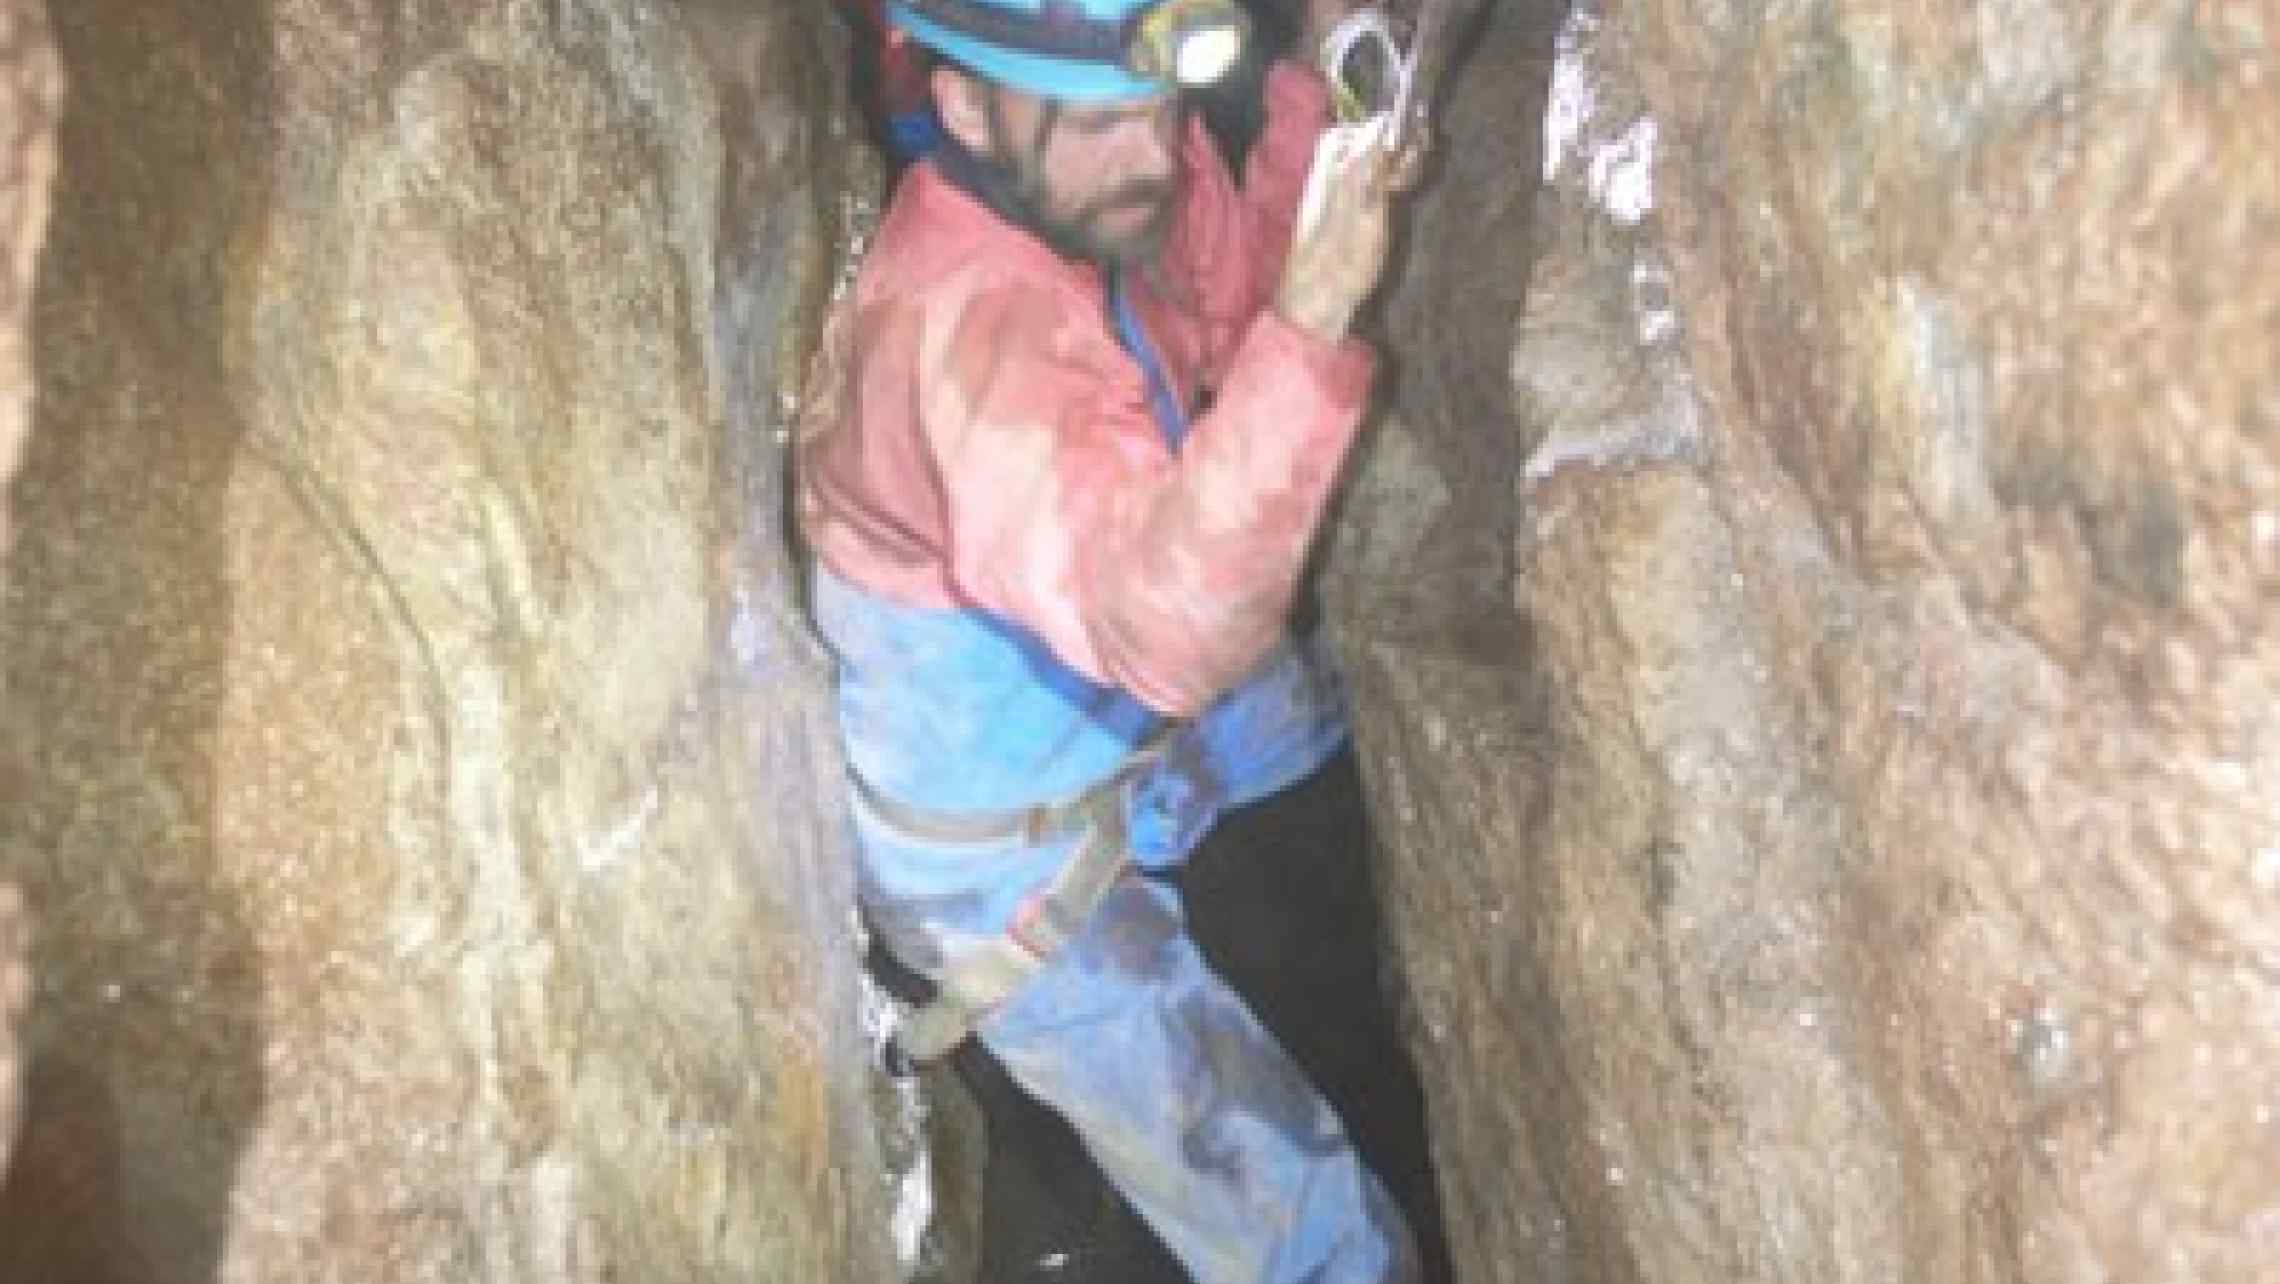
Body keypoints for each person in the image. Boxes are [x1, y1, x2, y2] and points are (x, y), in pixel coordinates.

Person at [796, 1, 1426, 1279]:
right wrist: (1315, 321)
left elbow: (1217, 298)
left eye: (1162, 109)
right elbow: (1166, 628)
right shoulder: (971, 327)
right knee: (1311, 1228)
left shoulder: (1099, 182)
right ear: (968, 108)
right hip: (1006, 860)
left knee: (1295, 739)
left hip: (1102, 701)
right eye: (1095, 122)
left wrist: (1320, 101)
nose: (1145, 151)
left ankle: (1347, 1042)